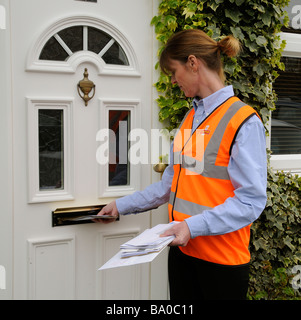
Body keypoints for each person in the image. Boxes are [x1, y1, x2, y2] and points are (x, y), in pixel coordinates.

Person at [96, 29, 267, 300]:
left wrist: (191, 227)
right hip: (182, 254)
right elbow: (170, 186)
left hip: (221, 263)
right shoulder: (190, 119)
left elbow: (251, 201)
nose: (173, 81)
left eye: (173, 72)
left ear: (192, 62)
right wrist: (120, 206)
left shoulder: (244, 121)